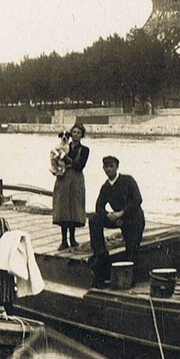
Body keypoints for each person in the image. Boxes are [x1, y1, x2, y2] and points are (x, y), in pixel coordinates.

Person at [89, 155, 145, 287]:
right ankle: (100, 252)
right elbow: (99, 207)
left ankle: (131, 278)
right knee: (94, 219)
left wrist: (121, 213)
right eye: (106, 167)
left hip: (134, 219)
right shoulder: (106, 187)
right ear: (103, 169)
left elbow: (137, 200)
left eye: (111, 166)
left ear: (117, 167)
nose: (109, 169)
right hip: (118, 219)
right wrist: (109, 215)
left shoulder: (128, 180)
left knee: (132, 248)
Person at [51, 123, 89, 250]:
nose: (76, 135)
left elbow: (80, 166)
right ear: (71, 134)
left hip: (76, 180)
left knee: (73, 208)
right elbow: (55, 159)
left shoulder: (84, 150)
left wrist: (65, 158)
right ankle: (63, 240)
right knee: (63, 208)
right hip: (63, 178)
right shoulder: (64, 146)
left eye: (79, 133)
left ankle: (72, 239)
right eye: (74, 132)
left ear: (82, 135)